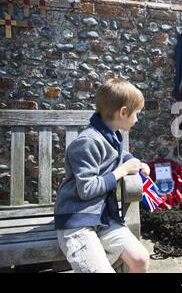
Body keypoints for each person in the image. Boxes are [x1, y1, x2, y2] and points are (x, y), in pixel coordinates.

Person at [54, 78, 150, 273]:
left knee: (140, 259)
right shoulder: (87, 142)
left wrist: (136, 163)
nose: (137, 119)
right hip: (78, 221)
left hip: (102, 217)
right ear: (123, 112)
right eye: (137, 114)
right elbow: (86, 189)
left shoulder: (111, 134)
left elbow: (118, 156)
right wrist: (121, 171)